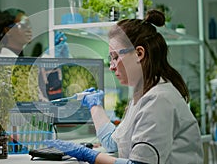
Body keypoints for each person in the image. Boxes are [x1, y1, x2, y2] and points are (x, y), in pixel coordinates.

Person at [44, 9, 204, 164]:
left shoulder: (158, 100)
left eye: (115, 57)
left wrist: (88, 155)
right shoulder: (143, 96)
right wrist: (94, 106)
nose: (112, 66)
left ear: (139, 53)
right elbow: (113, 143)